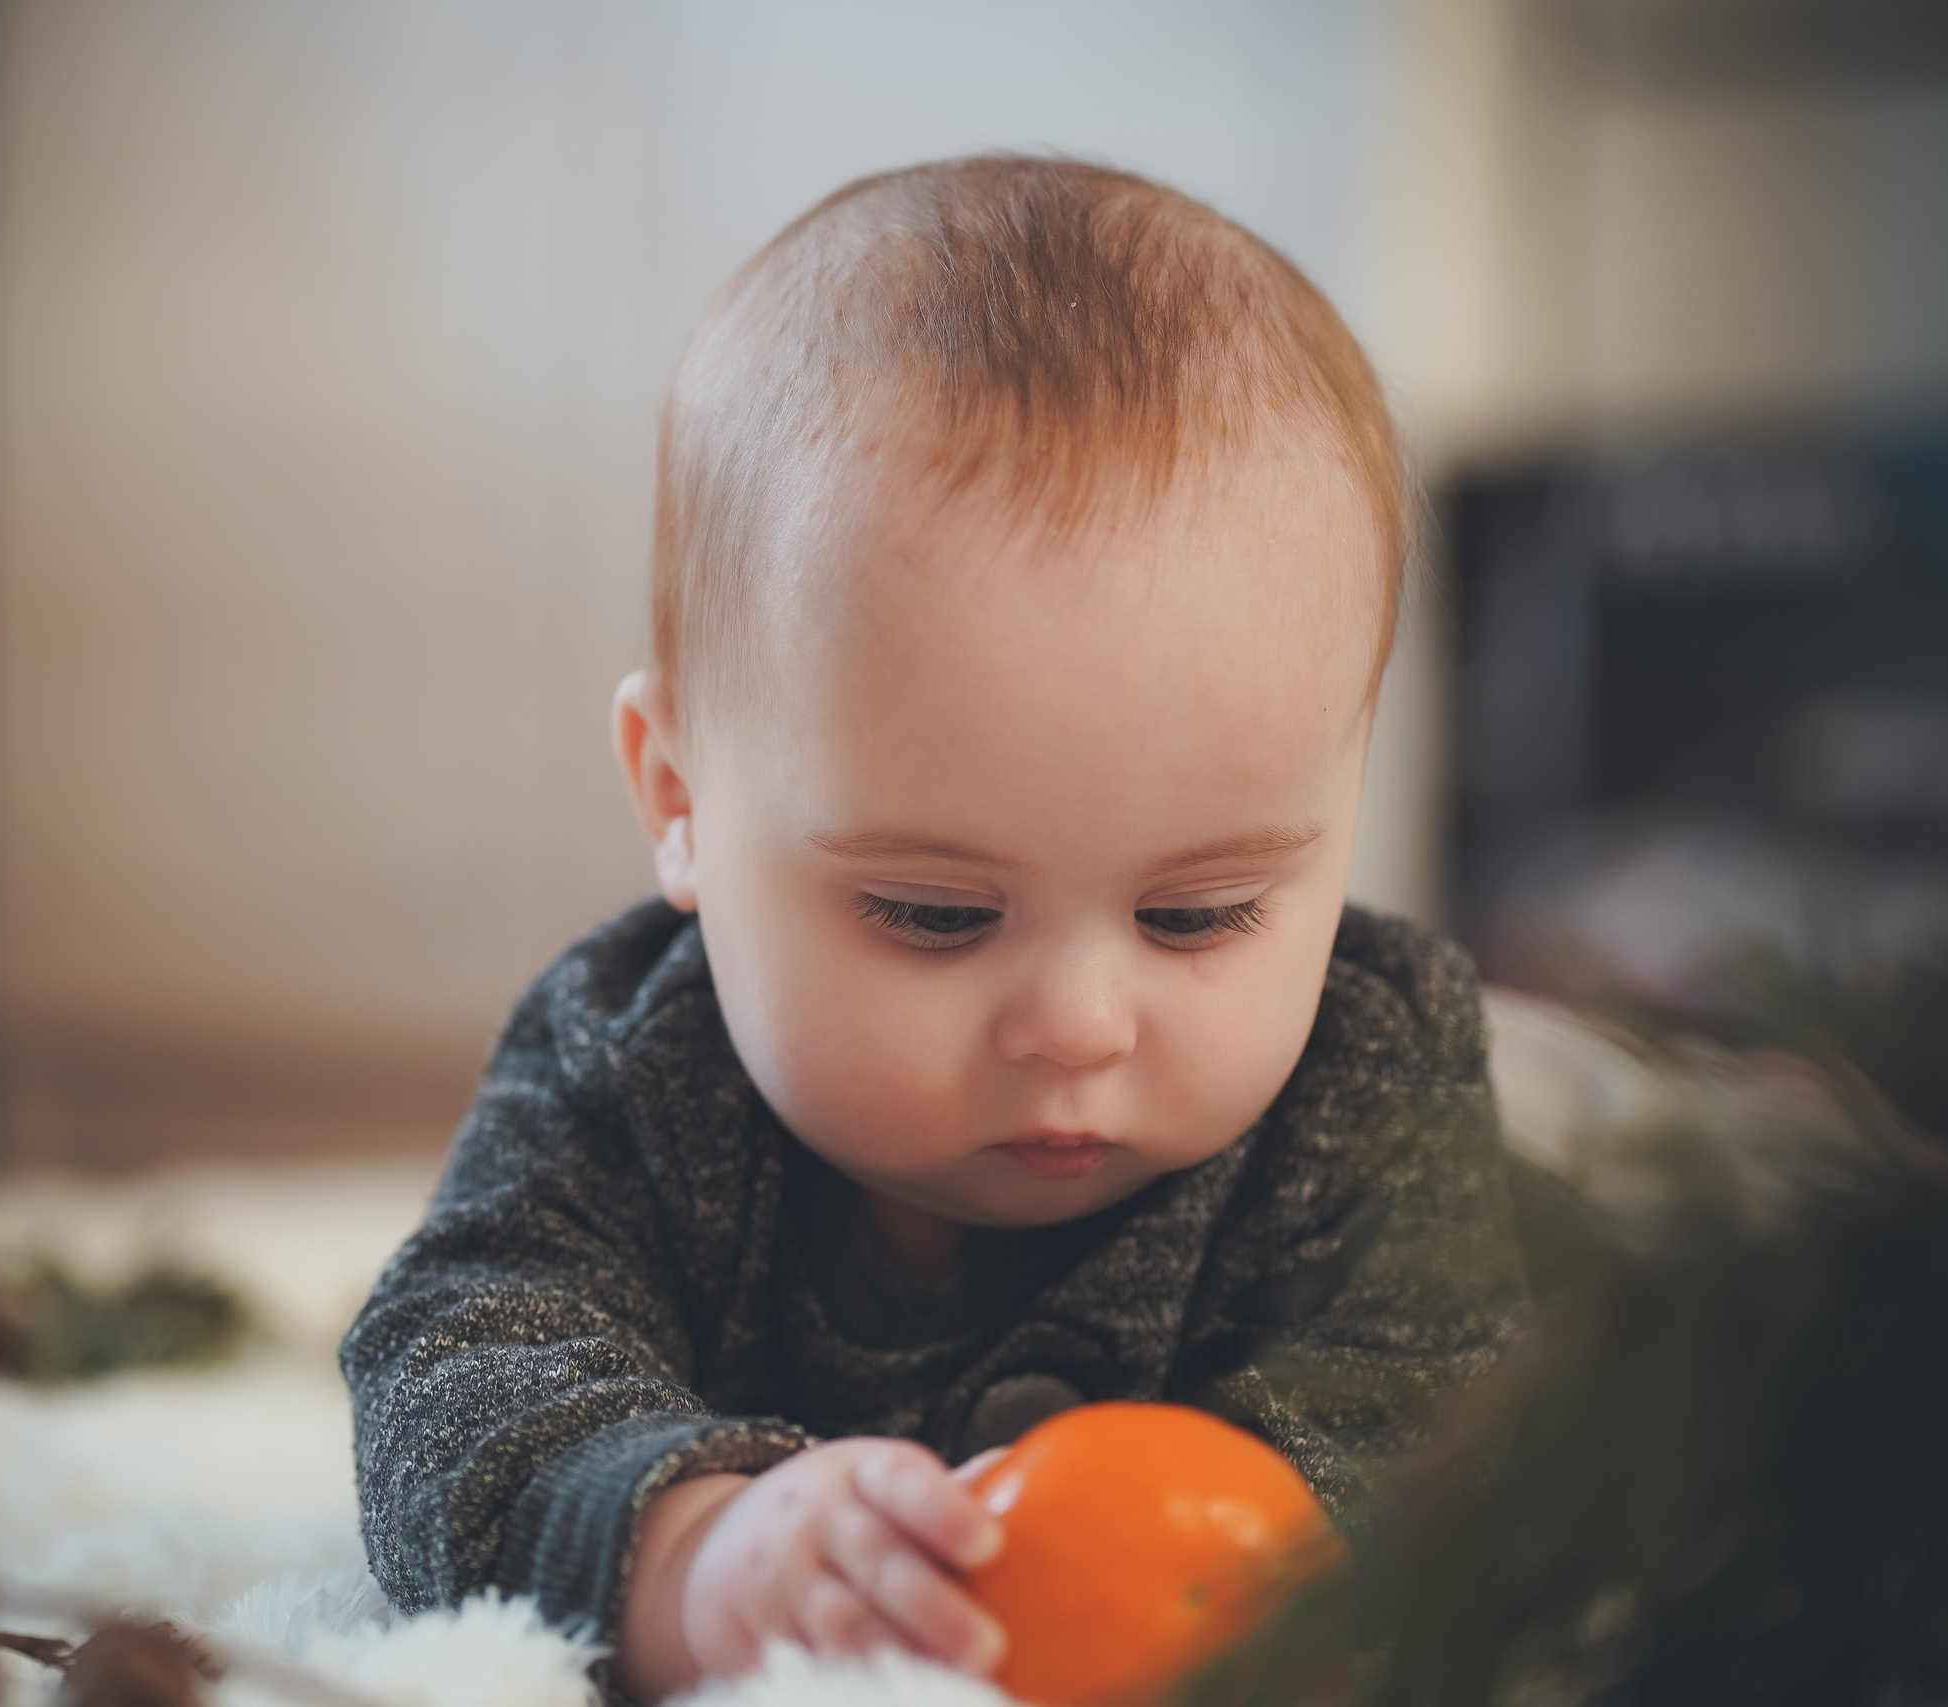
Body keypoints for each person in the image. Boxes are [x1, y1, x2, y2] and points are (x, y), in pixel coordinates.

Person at [339, 155, 1529, 1701]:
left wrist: (1289, 1554)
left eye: (1201, 914)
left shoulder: (1371, 1065)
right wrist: (696, 1550)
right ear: (681, 798)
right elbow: (453, 1361)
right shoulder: (633, 1066)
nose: (1082, 1023)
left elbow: (1464, 1400)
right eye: (935, 913)